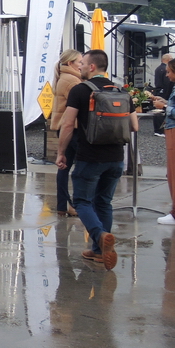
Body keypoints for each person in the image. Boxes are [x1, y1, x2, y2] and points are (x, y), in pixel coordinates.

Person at [55, 49, 138, 270]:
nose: (80, 66)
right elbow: (134, 126)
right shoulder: (121, 90)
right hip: (116, 158)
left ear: (92, 67)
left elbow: (67, 124)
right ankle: (99, 251)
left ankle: (100, 236)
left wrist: (61, 152)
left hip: (89, 156)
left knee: (82, 201)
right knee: (104, 202)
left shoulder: (81, 90)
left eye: (83, 63)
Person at [50, 49, 82, 217]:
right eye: (79, 62)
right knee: (79, 167)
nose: (81, 66)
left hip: (63, 128)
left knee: (64, 168)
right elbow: (79, 106)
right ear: (70, 63)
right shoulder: (72, 81)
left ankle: (63, 204)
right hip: (72, 128)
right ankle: (77, 203)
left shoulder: (64, 77)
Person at [153, 57, 175, 225]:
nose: (167, 75)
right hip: (172, 129)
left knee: (174, 172)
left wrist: (165, 108)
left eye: (169, 72)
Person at [154, 54, 174, 137]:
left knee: (158, 109)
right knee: (161, 110)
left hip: (158, 90)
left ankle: (157, 129)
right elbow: (167, 83)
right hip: (164, 91)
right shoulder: (165, 69)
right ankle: (160, 130)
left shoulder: (158, 68)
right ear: (168, 59)